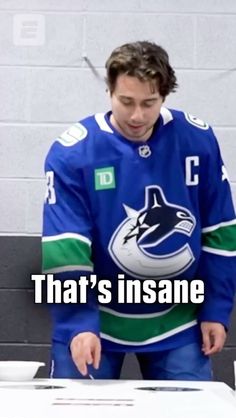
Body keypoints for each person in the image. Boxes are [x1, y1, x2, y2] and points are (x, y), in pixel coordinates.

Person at [42, 41, 236, 380]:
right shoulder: (72, 153)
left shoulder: (197, 140)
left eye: (149, 103)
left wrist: (216, 309)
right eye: (126, 101)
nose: (136, 116)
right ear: (109, 91)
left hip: (178, 319)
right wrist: (78, 322)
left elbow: (219, 231)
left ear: (165, 96)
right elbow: (66, 248)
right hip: (95, 321)